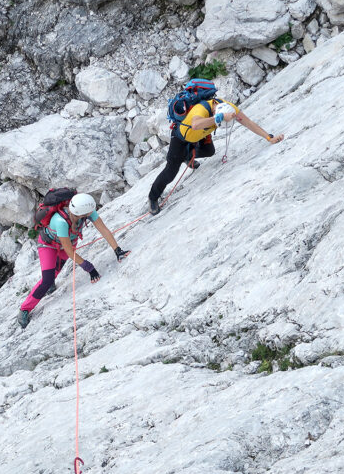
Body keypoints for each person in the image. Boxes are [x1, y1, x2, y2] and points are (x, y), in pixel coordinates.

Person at [148, 96, 284, 215]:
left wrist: (268, 137)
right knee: (171, 171)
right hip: (180, 137)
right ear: (214, 111)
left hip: (199, 135)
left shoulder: (229, 108)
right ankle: (153, 198)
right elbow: (195, 124)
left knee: (209, 151)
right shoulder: (201, 109)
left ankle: (187, 156)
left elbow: (248, 123)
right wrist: (218, 118)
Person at [18, 193, 129, 329]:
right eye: (89, 212)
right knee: (46, 280)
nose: (92, 213)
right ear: (82, 214)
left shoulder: (86, 212)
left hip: (67, 243)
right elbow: (70, 252)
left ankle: (51, 282)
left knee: (55, 272)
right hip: (48, 245)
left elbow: (103, 229)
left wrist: (117, 250)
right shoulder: (61, 222)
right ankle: (25, 309)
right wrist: (89, 268)